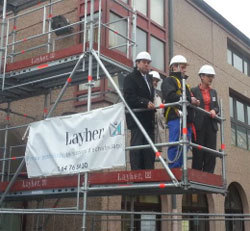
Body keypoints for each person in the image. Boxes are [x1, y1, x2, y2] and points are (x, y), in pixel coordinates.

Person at [161, 55, 199, 168]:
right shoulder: (169, 81)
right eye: (182, 67)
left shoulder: (184, 84)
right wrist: (189, 99)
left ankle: (179, 167)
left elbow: (185, 98)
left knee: (185, 144)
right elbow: (170, 95)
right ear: (174, 67)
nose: (185, 70)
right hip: (175, 116)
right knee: (175, 143)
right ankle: (174, 169)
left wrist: (192, 100)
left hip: (185, 118)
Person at [123, 51, 155, 170]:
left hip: (148, 120)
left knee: (149, 149)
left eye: (148, 63)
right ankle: (137, 174)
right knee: (137, 147)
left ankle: (149, 173)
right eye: (144, 62)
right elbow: (129, 97)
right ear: (137, 63)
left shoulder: (149, 79)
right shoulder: (130, 78)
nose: (147, 64)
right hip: (137, 119)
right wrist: (145, 102)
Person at [191, 65, 219, 173]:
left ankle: (209, 174)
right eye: (209, 76)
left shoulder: (213, 92)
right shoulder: (193, 90)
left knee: (211, 150)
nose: (211, 79)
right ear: (202, 76)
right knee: (198, 150)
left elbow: (217, 107)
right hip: (199, 124)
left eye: (212, 76)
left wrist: (214, 111)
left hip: (211, 124)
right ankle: (197, 174)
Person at [149, 70, 166, 151]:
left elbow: (160, 115)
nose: (155, 82)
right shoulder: (146, 94)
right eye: (153, 80)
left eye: (157, 81)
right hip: (149, 128)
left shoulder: (158, 97)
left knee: (153, 155)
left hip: (157, 129)